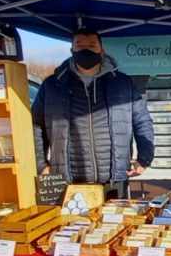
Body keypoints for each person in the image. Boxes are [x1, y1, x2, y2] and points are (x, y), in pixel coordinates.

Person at [32, 27, 154, 183]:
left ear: (101, 50)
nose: (86, 50)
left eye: (92, 45)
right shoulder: (52, 85)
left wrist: (144, 158)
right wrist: (41, 165)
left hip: (114, 178)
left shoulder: (123, 83)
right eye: (80, 45)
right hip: (67, 180)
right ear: (72, 50)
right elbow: (36, 126)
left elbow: (142, 121)